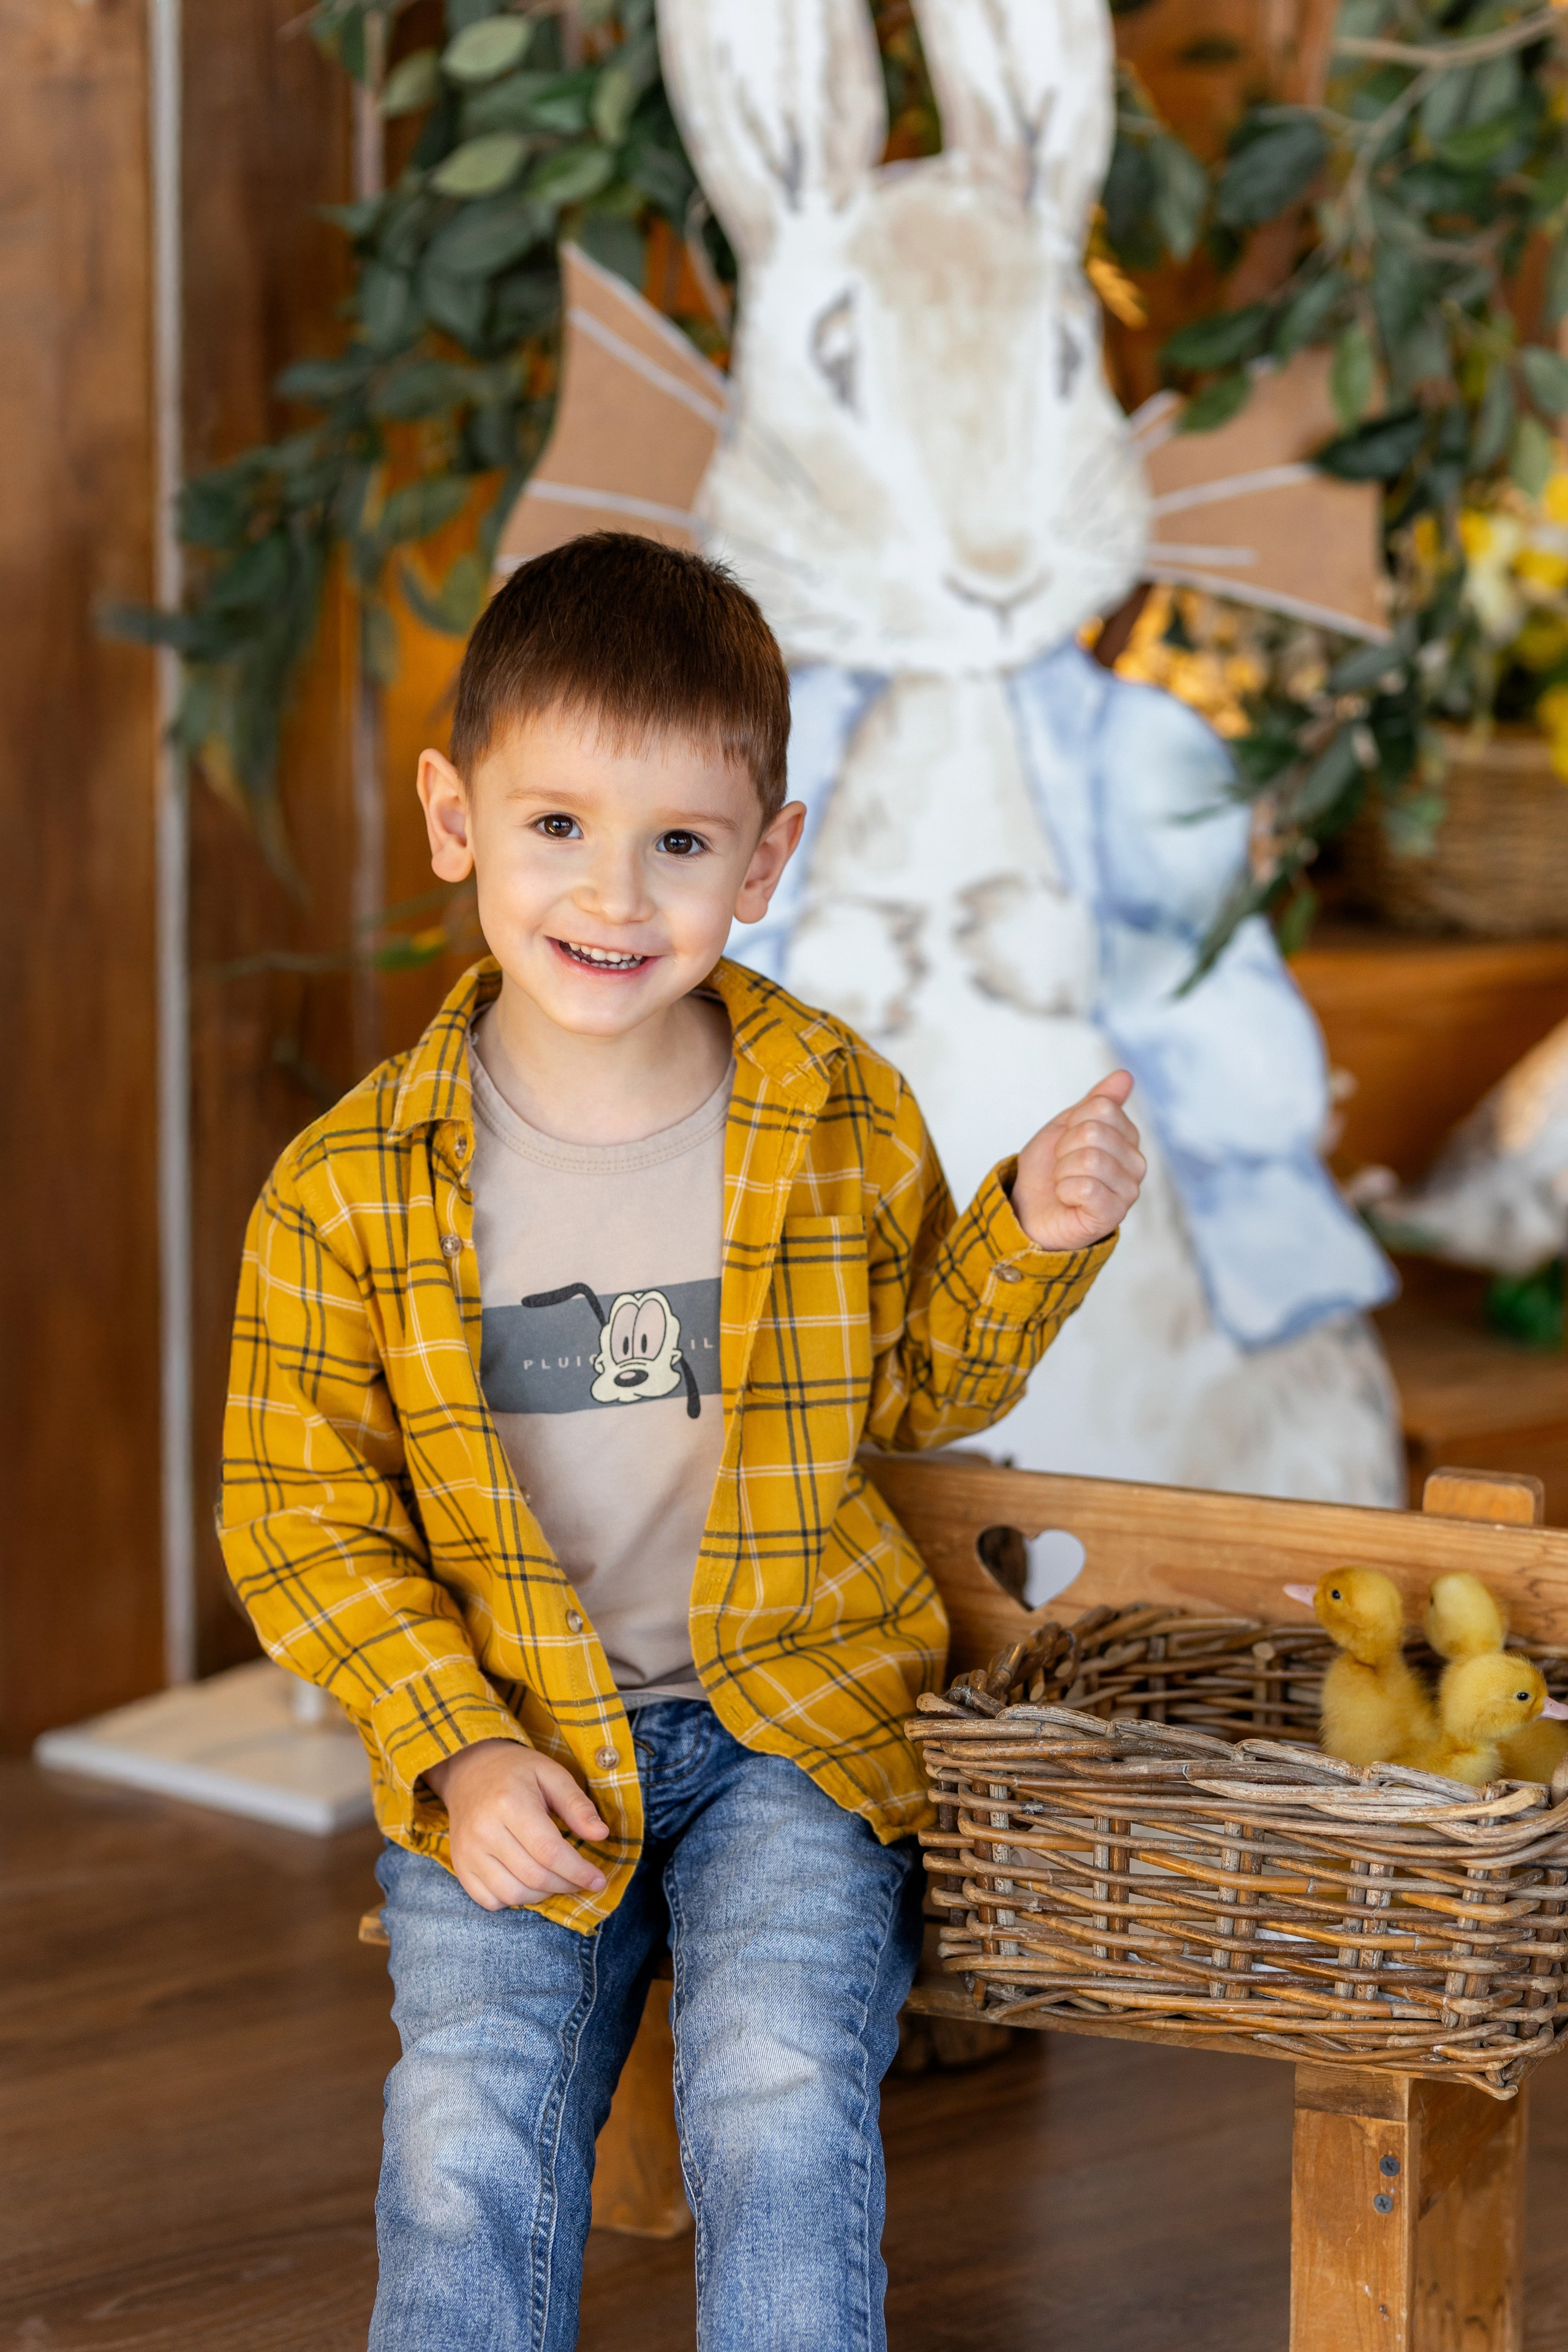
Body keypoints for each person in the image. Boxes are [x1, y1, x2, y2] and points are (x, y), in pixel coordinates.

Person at [219, 532, 1145, 2352]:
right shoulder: (349, 1186)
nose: (614, 894)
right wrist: (459, 1750)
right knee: (464, 2122)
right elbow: (299, 1518)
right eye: (556, 823)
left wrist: (1032, 1231)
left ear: (767, 857)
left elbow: (916, 1396)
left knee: (782, 2083)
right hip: (511, 1728)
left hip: (789, 1715)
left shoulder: (830, 1115)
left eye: (680, 843)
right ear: (453, 815)